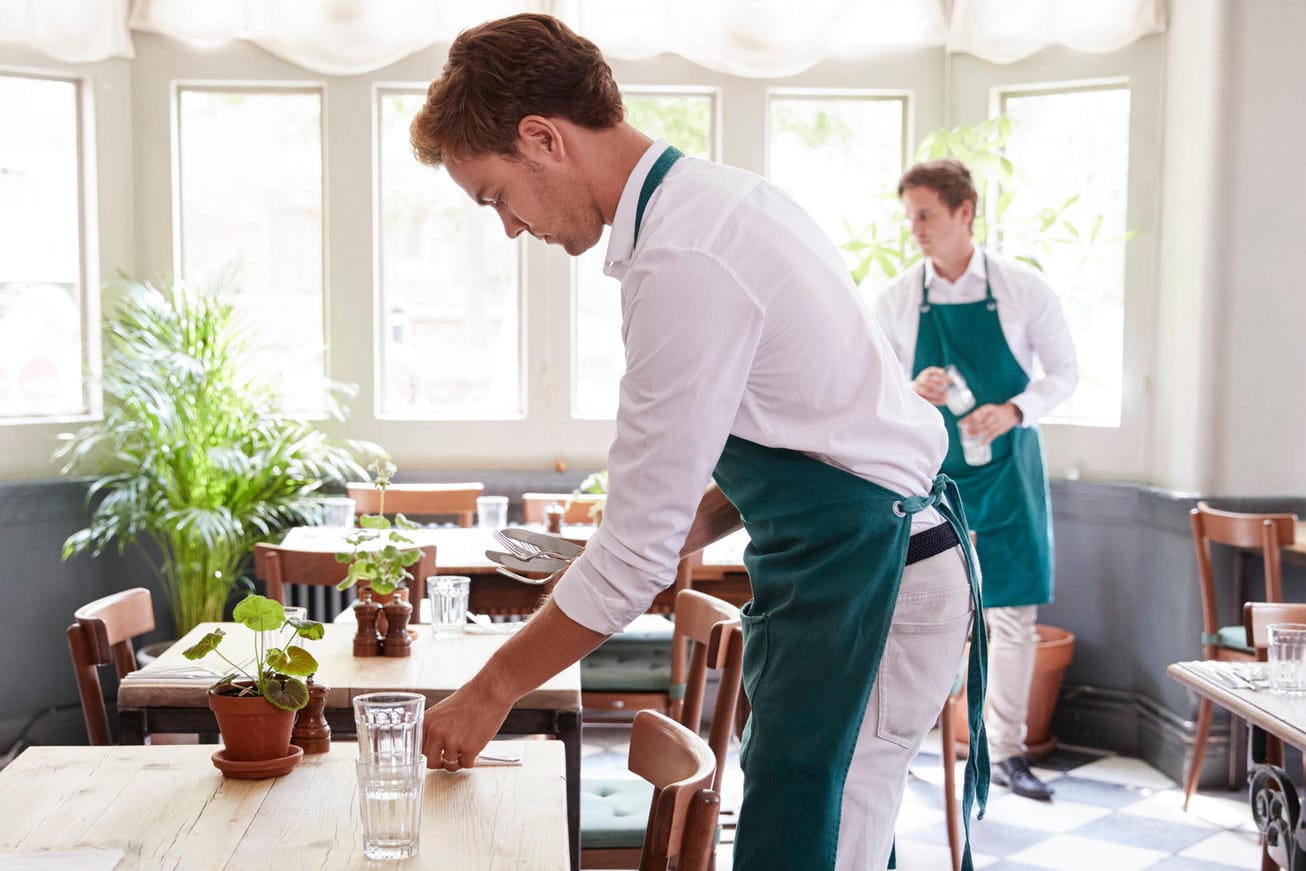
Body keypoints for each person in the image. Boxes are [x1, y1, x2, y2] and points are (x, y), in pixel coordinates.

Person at [408, 15, 988, 870]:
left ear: (542, 138)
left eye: (496, 195)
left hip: (875, 576)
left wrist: (487, 692)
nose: (509, 226)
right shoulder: (716, 202)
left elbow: (637, 557)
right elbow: (809, 431)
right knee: (814, 827)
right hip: (859, 563)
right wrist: (690, 524)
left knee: (821, 843)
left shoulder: (683, 255)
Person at [873, 158, 1078, 801]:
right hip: (933, 477)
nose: (916, 230)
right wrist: (912, 389)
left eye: (926, 215)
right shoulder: (898, 298)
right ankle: (906, 745)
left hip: (1010, 471)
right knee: (922, 611)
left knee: (1012, 616)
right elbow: (871, 389)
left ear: (966, 213)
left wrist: (1015, 409)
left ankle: (1008, 752)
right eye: (910, 217)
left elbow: (1065, 374)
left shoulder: (1023, 289)